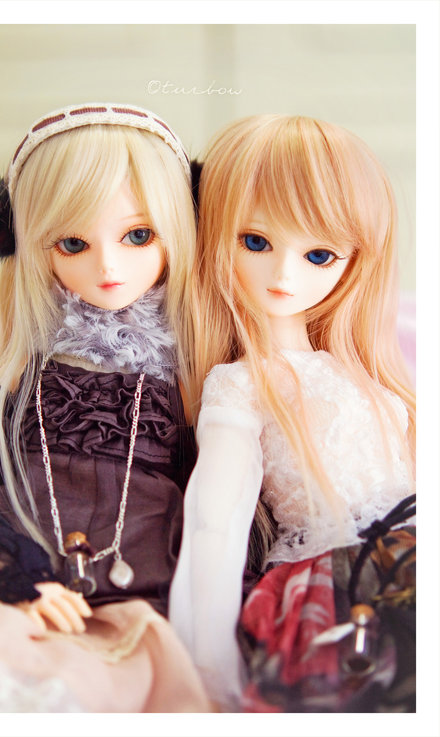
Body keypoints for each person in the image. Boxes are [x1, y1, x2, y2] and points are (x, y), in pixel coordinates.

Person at [0, 103, 210, 712]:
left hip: (136, 615)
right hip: (19, 606)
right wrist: (16, 580)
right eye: (74, 243)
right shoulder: (22, 385)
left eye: (138, 235)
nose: (108, 266)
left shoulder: (194, 388)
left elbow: (225, 521)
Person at [169, 114, 416, 712]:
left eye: (319, 254)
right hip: (339, 588)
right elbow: (214, 524)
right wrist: (207, 672)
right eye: (255, 242)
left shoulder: (370, 376)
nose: (284, 275)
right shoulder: (241, 384)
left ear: (355, 261)